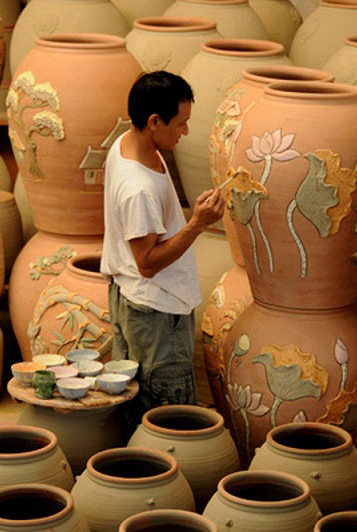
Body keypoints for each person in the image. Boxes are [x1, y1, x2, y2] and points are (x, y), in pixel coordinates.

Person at [100, 71, 225, 421]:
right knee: (165, 414)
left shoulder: (128, 142)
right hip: (154, 311)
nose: (185, 131)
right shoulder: (138, 189)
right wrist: (197, 224)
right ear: (154, 121)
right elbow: (148, 263)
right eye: (181, 123)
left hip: (134, 297)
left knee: (132, 398)